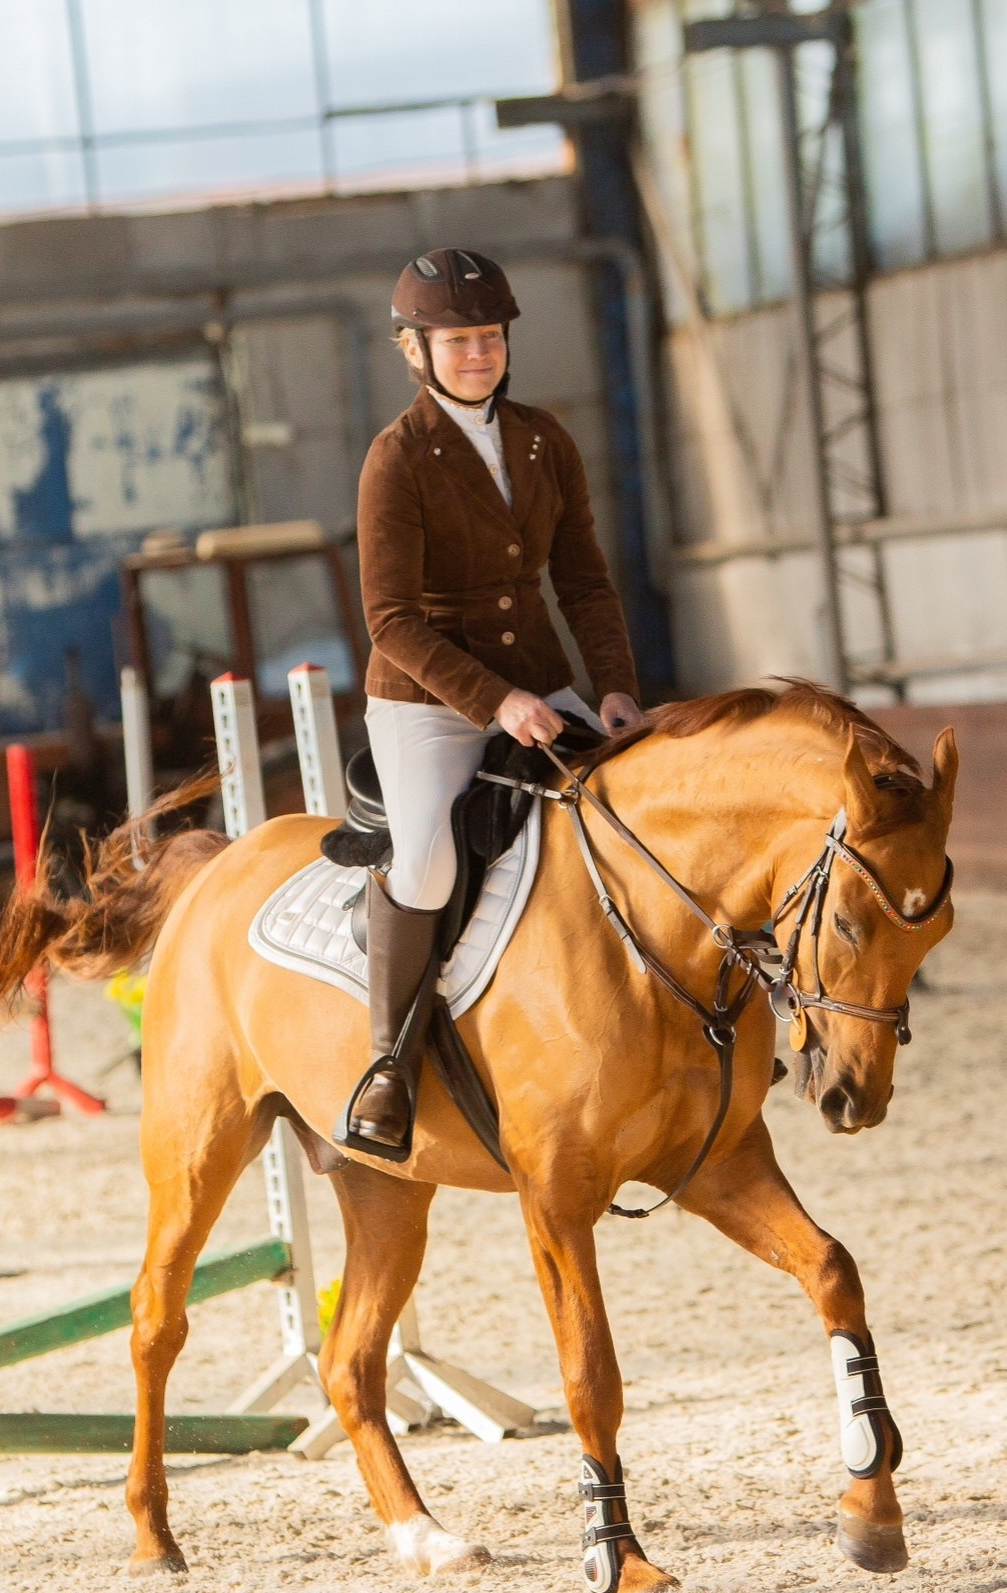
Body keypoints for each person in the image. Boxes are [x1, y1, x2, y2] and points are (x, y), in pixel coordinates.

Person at [343, 248, 645, 1155]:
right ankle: (389, 1066)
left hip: (541, 683)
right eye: (457, 339)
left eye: (489, 336)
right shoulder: (394, 460)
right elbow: (389, 619)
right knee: (430, 864)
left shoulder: (546, 439)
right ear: (415, 350)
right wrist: (498, 701)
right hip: (429, 698)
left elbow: (585, 580)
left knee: (629, 817)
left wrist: (617, 688)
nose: (478, 353)